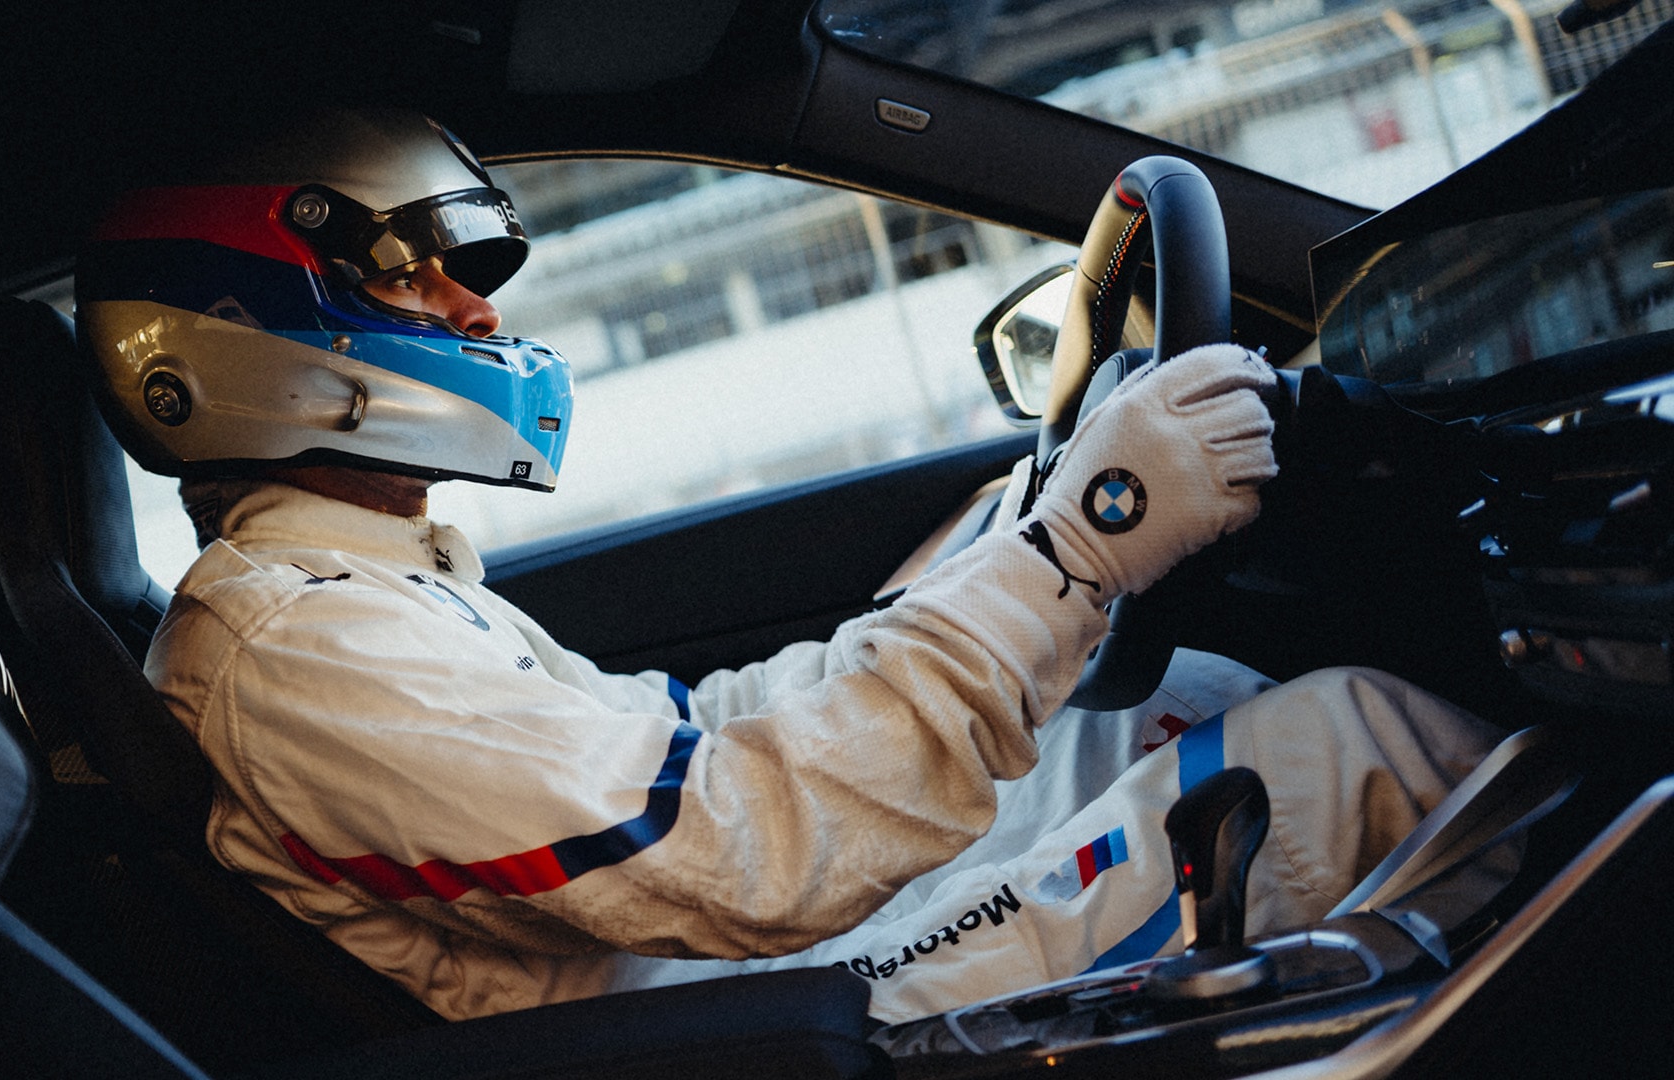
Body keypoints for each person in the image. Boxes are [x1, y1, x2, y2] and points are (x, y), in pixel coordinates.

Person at [76, 110, 1503, 1024]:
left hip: (729, 967)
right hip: (767, 1022)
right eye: (405, 277)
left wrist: (1016, 576)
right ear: (243, 338)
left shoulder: (360, 595)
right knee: (1350, 743)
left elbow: (695, 745)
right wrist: (1081, 542)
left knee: (1165, 692)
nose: (466, 308)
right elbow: (733, 851)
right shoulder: (300, 656)